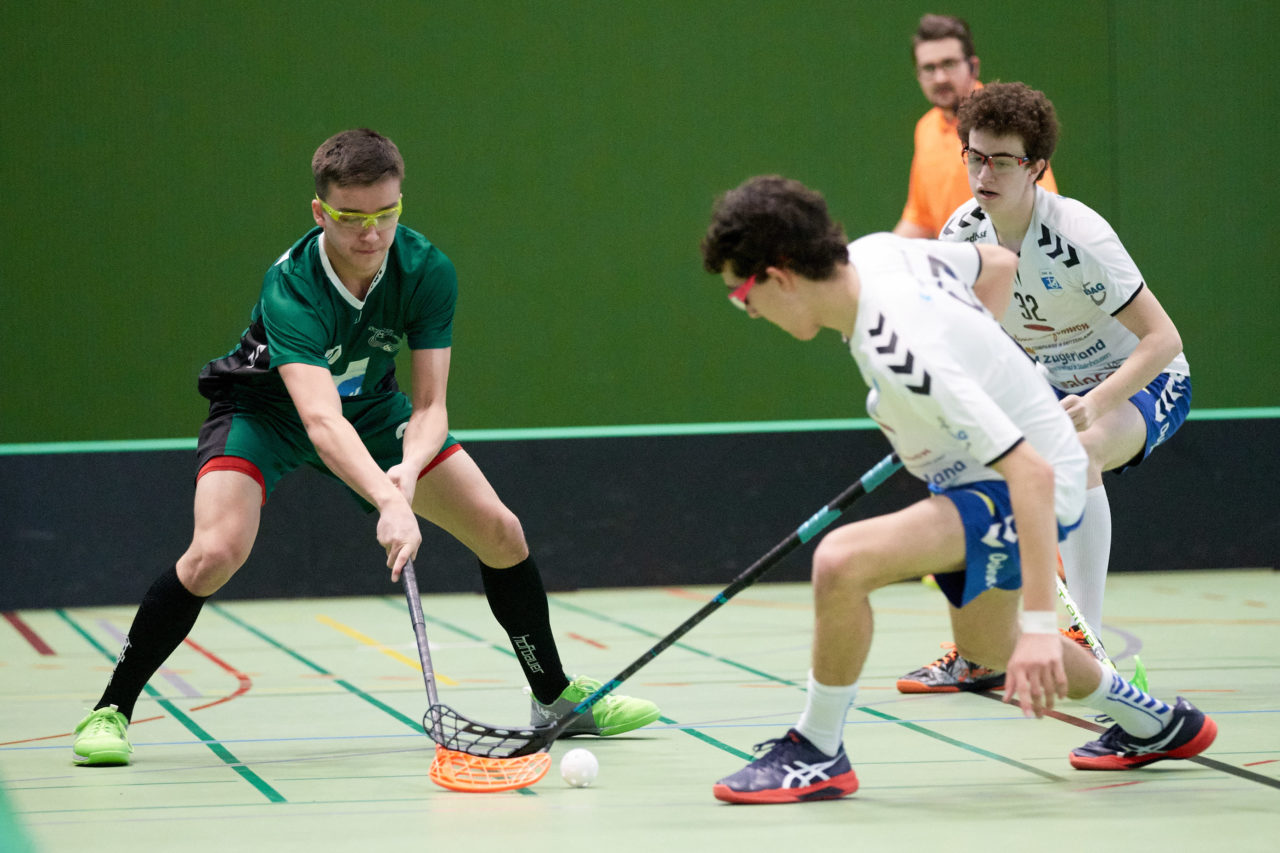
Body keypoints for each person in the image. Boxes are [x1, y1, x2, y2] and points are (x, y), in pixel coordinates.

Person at [71, 129, 660, 766]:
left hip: (374, 412)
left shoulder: (426, 269)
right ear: (320, 211)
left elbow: (430, 406)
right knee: (214, 553)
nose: (371, 233)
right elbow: (321, 422)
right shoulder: (291, 287)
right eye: (352, 217)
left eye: (386, 212)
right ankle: (111, 708)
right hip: (265, 412)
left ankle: (554, 698)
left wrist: (408, 469)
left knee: (500, 530)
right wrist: (389, 500)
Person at [700, 175, 1215, 804]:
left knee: (841, 561)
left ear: (780, 277)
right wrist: (973, 385)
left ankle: (817, 751)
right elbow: (996, 265)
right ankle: (1157, 723)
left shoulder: (902, 350)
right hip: (1000, 469)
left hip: (1029, 480)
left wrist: (1039, 625)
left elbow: (1032, 475)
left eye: (743, 296)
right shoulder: (879, 252)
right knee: (987, 646)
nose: (750, 311)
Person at [896, 82, 1191, 694]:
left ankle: (1088, 640)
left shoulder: (1079, 236)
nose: (984, 174)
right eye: (975, 156)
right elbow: (967, 340)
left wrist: (1097, 403)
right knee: (969, 475)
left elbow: (1163, 340)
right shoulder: (962, 236)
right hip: (1050, 384)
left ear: (1036, 166)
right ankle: (981, 652)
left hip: (1142, 383)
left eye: (1002, 161)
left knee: (1078, 453)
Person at [893, 14, 1057, 240]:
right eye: (929, 68)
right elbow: (920, 220)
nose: (940, 78)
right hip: (954, 259)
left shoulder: (1003, 122)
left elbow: (1040, 210)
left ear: (973, 67)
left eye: (949, 64)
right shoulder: (925, 129)